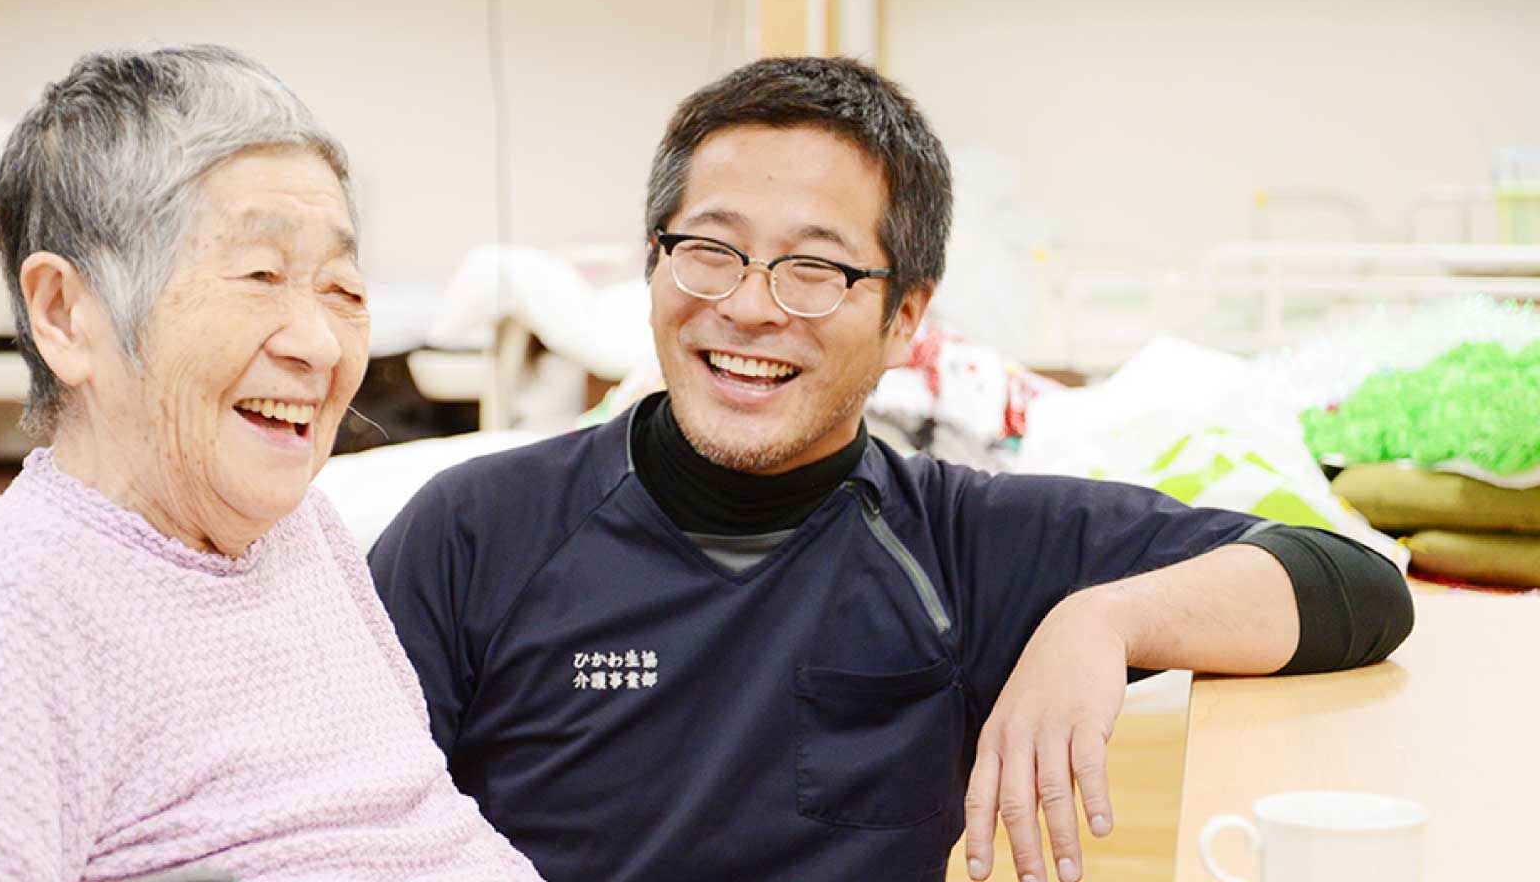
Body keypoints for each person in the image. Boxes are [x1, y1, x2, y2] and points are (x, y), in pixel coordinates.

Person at [368, 57, 1412, 882]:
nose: (749, 305)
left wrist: (1105, 619)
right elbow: (339, 820)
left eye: (814, 266)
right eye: (711, 248)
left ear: (906, 316)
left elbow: (1353, 582)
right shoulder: (477, 528)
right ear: (655, 262)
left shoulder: (964, 542)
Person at [0, 45, 540, 882]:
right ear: (66, 314)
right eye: (260, 274)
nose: (321, 344)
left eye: (343, 290)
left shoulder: (301, 535)